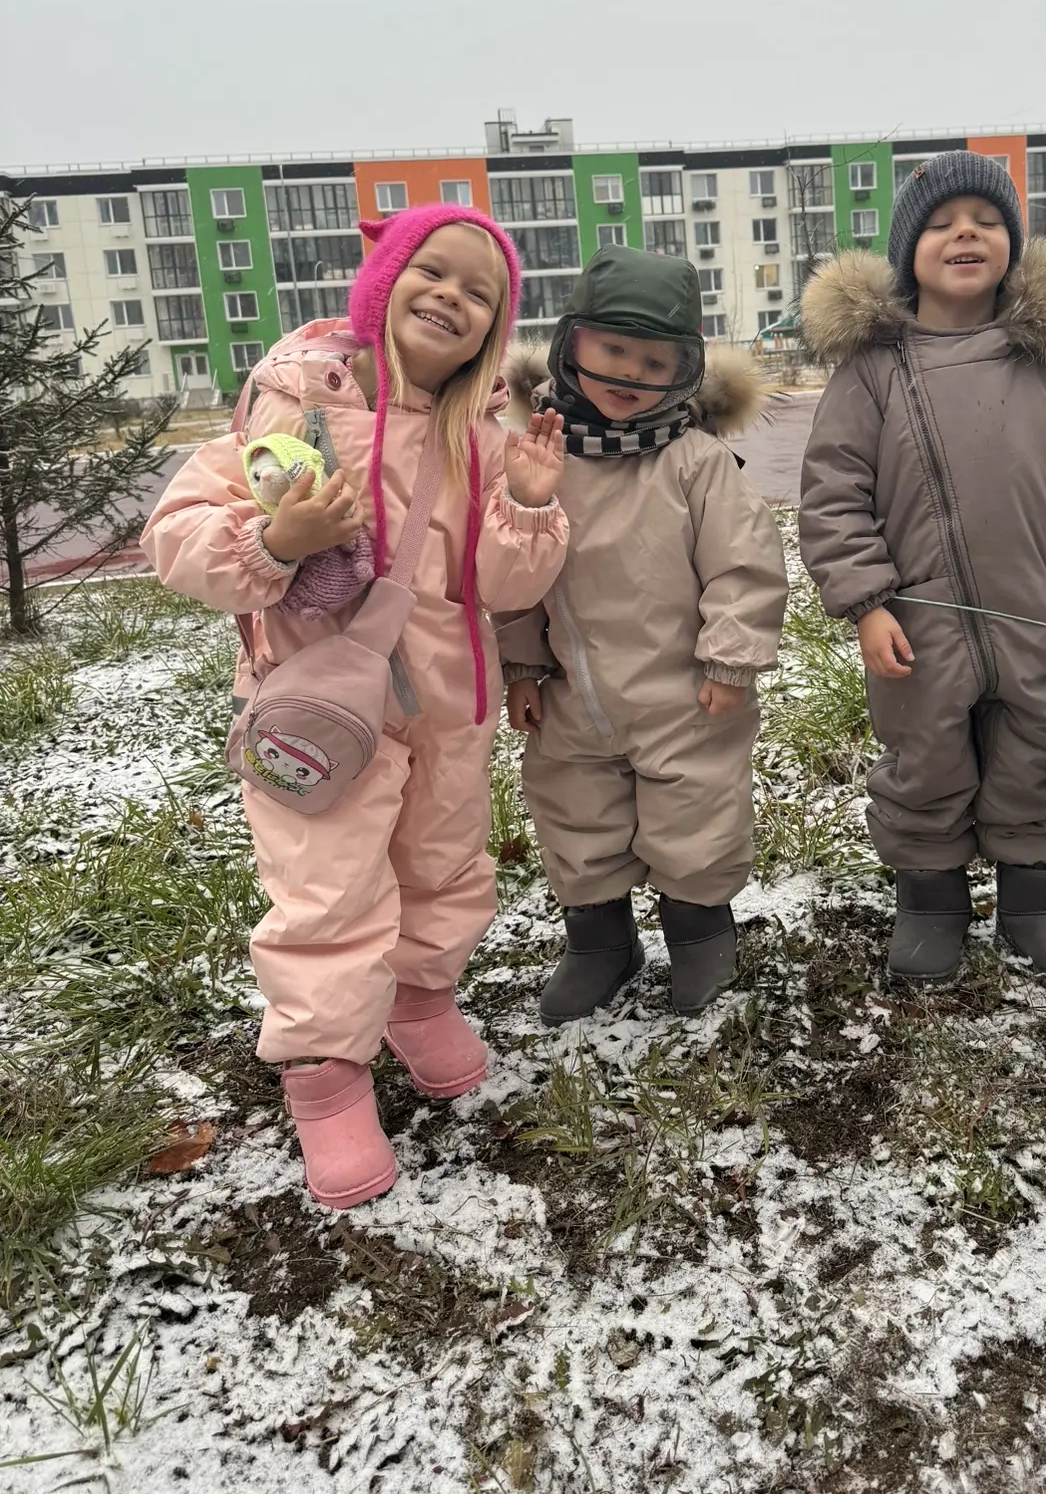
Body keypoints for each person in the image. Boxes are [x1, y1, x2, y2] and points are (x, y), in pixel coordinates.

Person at [141, 207, 568, 1209]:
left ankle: (419, 1000)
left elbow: (503, 584)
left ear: (493, 331)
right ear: (382, 281)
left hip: (448, 702)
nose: (451, 298)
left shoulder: (480, 436)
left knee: (444, 860)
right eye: (432, 271)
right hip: (322, 707)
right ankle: (326, 1077)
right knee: (327, 888)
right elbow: (177, 533)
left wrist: (531, 502)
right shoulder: (295, 406)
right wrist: (276, 542)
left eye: (480, 294)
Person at [798, 151, 1046, 984]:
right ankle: (931, 901)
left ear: (1011, 244)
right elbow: (833, 493)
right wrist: (868, 602)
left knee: (1034, 752)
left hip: (1032, 613)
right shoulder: (873, 368)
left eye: (986, 221)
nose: (966, 235)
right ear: (908, 251)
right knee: (925, 756)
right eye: (943, 224)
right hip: (917, 625)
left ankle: (1036, 900)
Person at [496, 246, 789, 1022]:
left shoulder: (696, 463)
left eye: (654, 361)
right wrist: (521, 666)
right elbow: (516, 571)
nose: (629, 373)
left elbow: (744, 565)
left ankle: (700, 936)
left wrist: (731, 660)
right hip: (572, 696)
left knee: (694, 814)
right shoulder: (540, 458)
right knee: (575, 814)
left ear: (684, 370)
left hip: (682, 694)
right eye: (613, 350)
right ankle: (599, 943)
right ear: (571, 346)